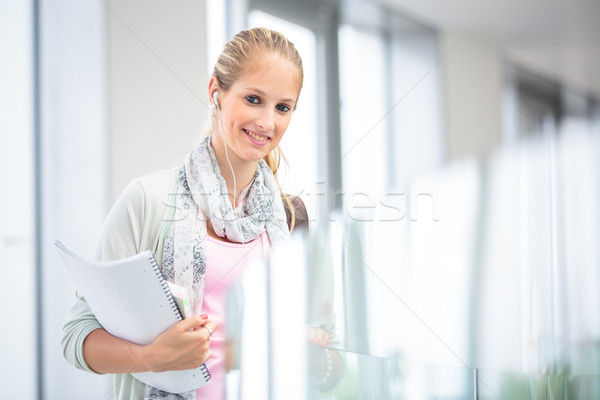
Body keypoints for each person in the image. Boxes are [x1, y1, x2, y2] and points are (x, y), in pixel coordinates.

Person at [61, 27, 308, 400]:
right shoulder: (148, 200)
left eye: (282, 107)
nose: (267, 122)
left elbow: (327, 345)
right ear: (216, 93)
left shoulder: (291, 219)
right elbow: (76, 335)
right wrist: (152, 357)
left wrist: (312, 346)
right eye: (254, 99)